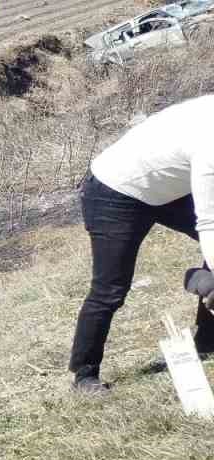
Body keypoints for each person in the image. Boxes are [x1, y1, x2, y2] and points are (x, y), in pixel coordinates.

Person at [69, 94, 214, 392]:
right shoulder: (209, 140)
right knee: (110, 289)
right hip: (114, 192)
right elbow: (209, 221)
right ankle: (85, 375)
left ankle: (208, 338)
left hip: (164, 186)